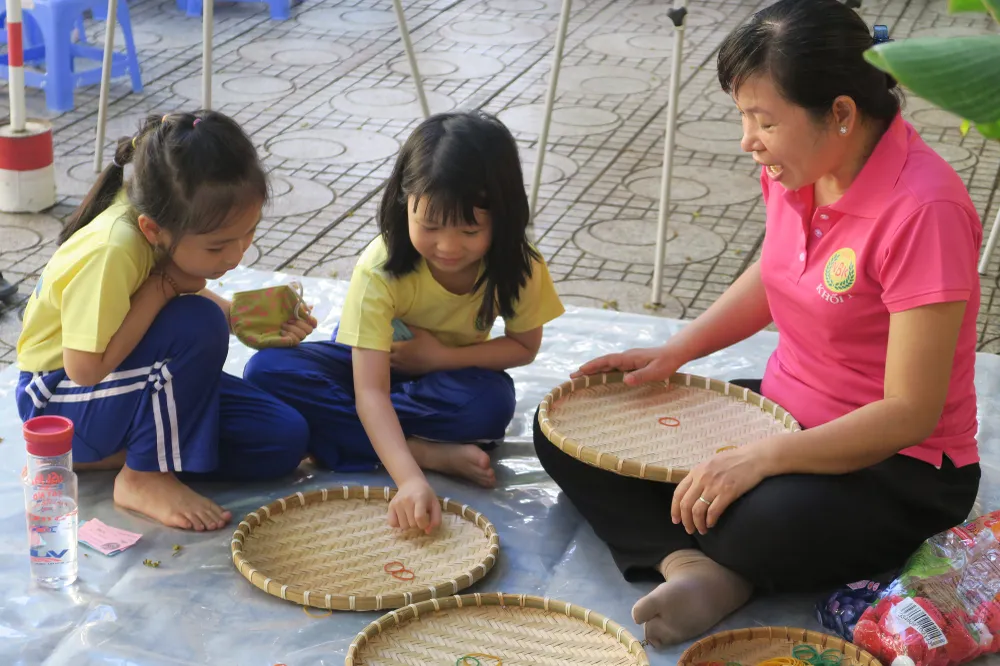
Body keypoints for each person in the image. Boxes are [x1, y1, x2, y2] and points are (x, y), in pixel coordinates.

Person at [533, 0, 983, 648]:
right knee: (569, 425)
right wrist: (673, 353)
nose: (748, 140)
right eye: (744, 116)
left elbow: (910, 412)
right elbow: (776, 276)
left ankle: (734, 563)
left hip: (898, 467)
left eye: (763, 120)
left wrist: (758, 461)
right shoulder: (794, 165)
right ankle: (690, 564)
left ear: (841, 115)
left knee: (756, 519)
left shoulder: (924, 209)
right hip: (779, 412)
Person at [245, 110, 565, 534]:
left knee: (491, 403)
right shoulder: (380, 267)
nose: (448, 247)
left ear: (502, 217)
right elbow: (370, 390)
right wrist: (411, 476)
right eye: (429, 225)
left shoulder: (518, 264)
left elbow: (524, 346)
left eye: (470, 232)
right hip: (367, 370)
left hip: (441, 379)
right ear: (404, 201)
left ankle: (340, 435)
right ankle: (423, 450)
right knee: (267, 371)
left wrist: (438, 358)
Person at [15, 111, 316, 532]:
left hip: (116, 387)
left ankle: (122, 453)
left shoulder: (162, 211)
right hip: (58, 404)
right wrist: (167, 287)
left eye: (249, 233)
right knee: (199, 322)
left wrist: (252, 320)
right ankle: (143, 476)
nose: (236, 257)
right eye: (217, 248)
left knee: (280, 440)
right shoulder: (112, 250)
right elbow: (84, 369)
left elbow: (164, 292)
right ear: (152, 229)